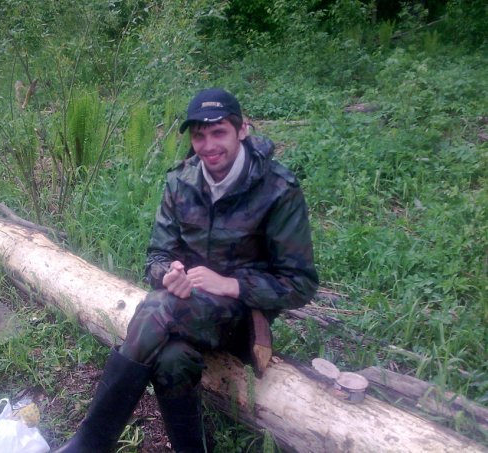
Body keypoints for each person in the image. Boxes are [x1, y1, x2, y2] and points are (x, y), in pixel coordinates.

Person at [54, 88, 318, 453]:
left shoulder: (277, 190)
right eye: (199, 135)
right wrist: (168, 274)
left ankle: (92, 442)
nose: (208, 146)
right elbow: (156, 256)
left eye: (218, 132)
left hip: (243, 320)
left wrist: (230, 284)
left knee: (157, 307)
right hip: (187, 309)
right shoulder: (182, 181)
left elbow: (300, 284)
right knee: (171, 360)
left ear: (242, 130)